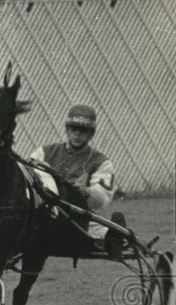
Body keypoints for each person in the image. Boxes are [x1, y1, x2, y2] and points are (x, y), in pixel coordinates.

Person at [28, 104, 126, 257]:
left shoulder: (101, 162)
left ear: (91, 134)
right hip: (43, 217)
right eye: (74, 128)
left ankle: (115, 236)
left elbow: (102, 200)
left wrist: (86, 191)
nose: (77, 133)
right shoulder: (43, 153)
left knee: (101, 233)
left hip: (77, 220)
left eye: (83, 130)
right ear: (67, 129)